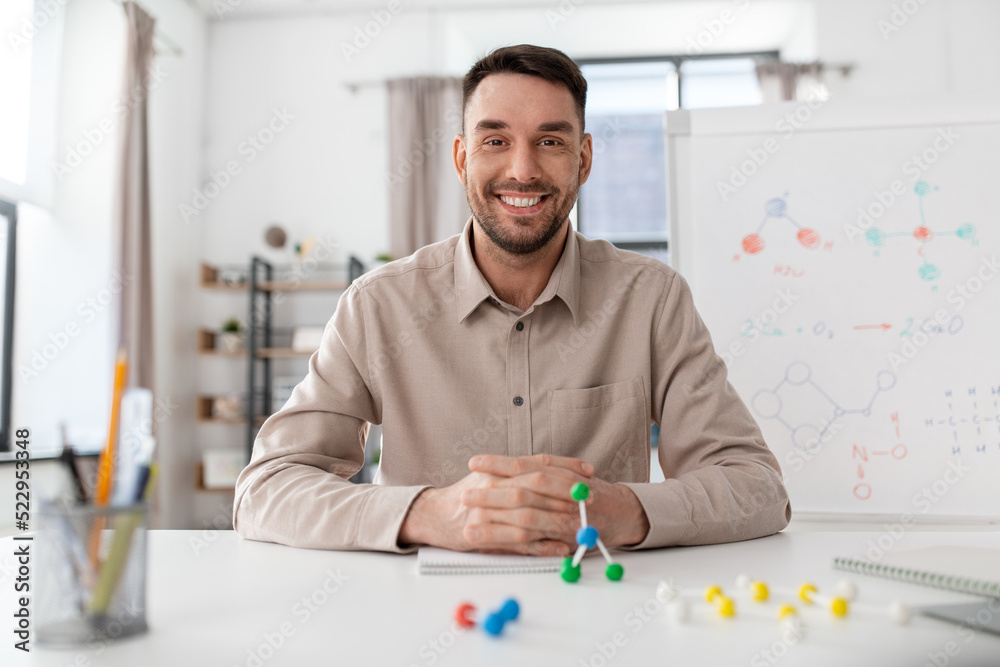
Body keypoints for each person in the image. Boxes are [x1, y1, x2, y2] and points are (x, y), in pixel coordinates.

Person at [234, 44, 791, 556]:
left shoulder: (651, 299)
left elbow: (757, 486)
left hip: (610, 612)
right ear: (461, 159)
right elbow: (265, 490)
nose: (522, 169)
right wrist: (431, 514)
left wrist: (623, 511)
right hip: (422, 623)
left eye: (550, 141)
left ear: (585, 159)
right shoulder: (378, 307)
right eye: (495, 140)